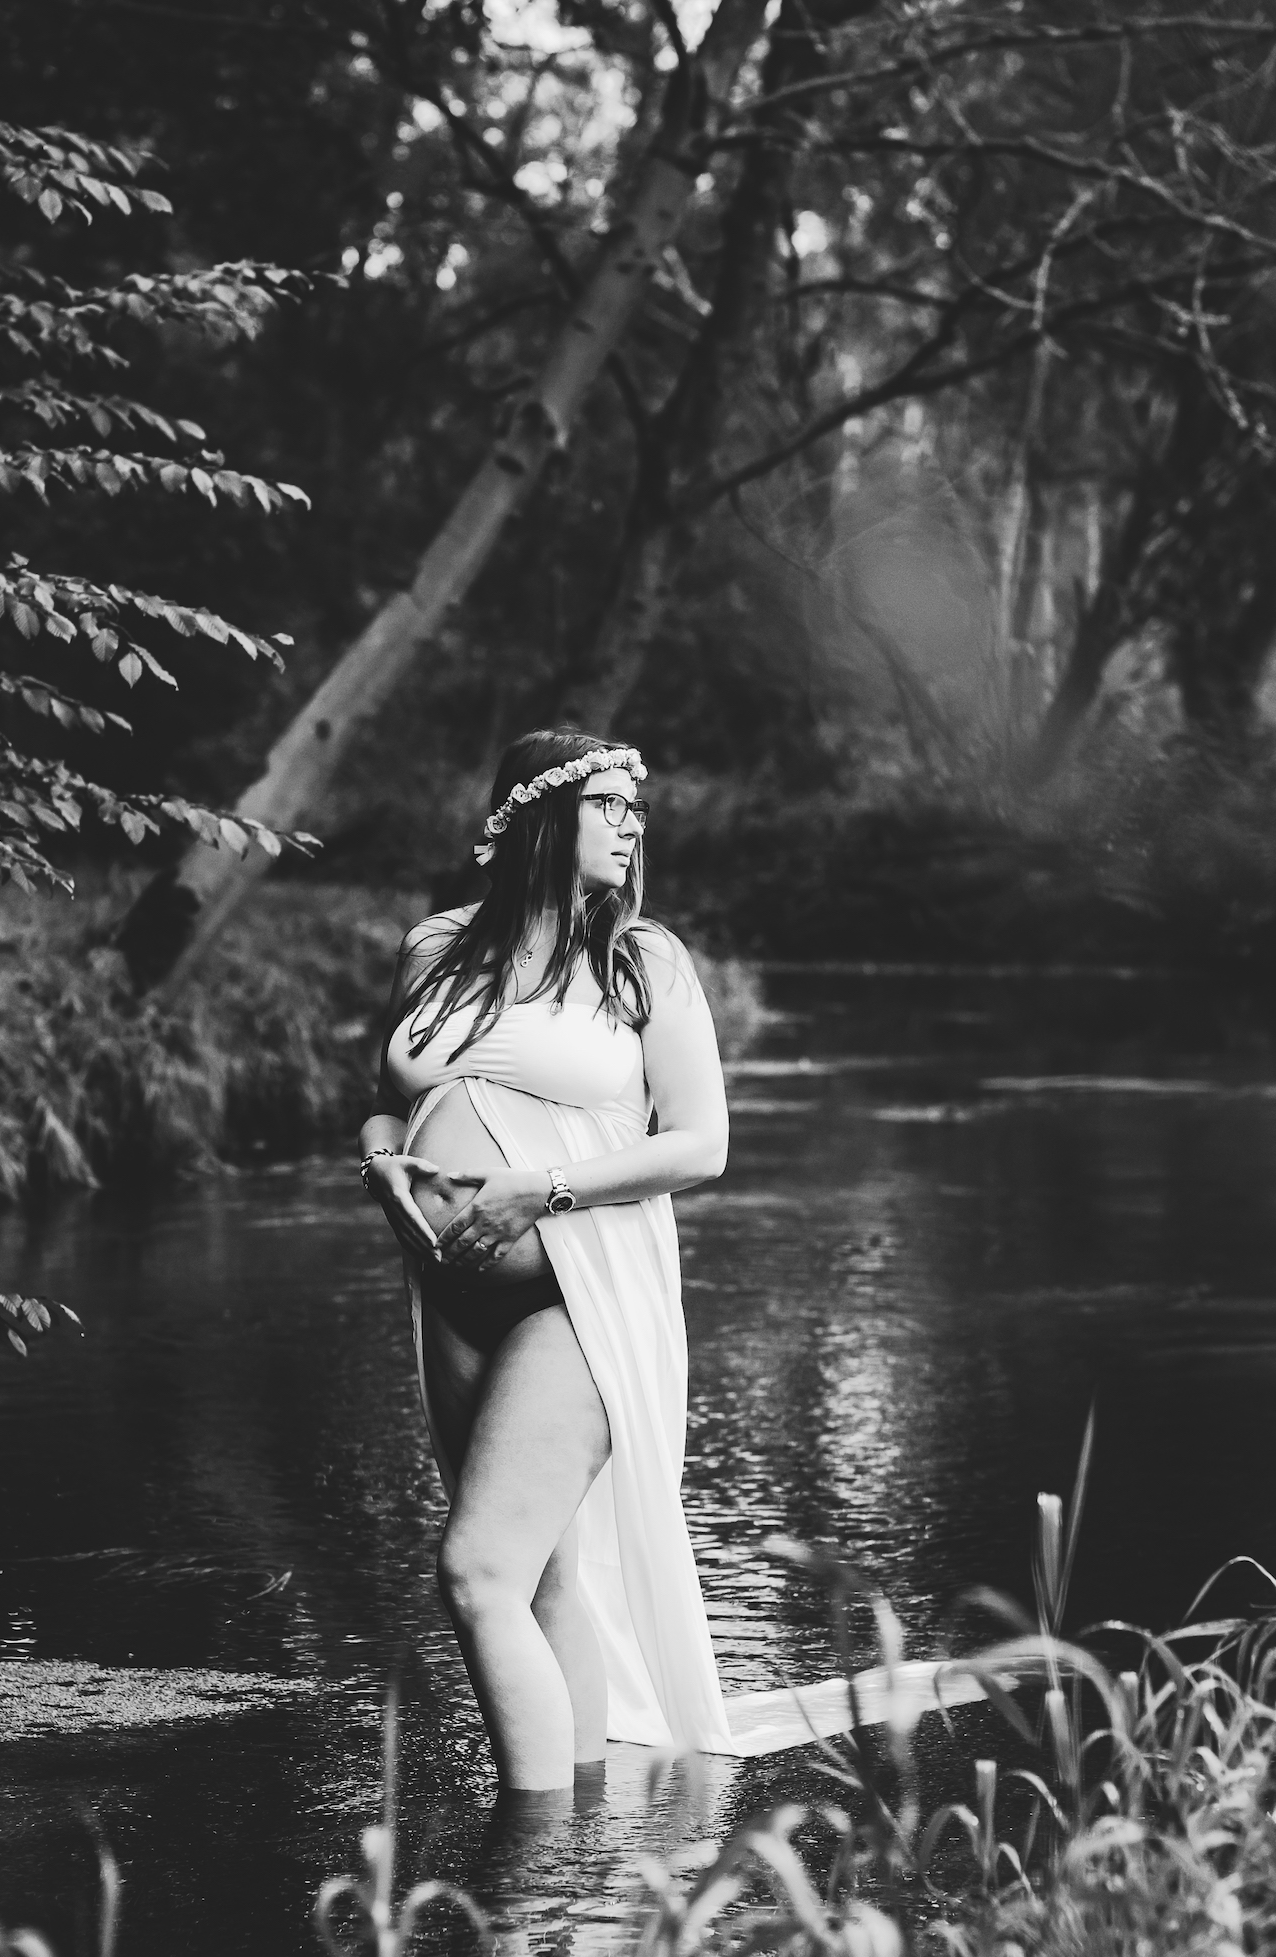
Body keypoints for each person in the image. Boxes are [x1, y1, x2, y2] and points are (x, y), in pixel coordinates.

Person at [359, 728, 979, 1793]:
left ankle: (535, 1842)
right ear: (536, 815)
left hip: (579, 1293)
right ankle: (579, 1828)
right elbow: (387, 1100)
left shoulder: (643, 962)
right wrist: (381, 1166)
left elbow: (701, 1145)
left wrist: (538, 1190)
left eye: (634, 809)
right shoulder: (437, 947)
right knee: (546, 1581)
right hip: (449, 1292)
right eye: (607, 805)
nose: (631, 825)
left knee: (477, 1571)